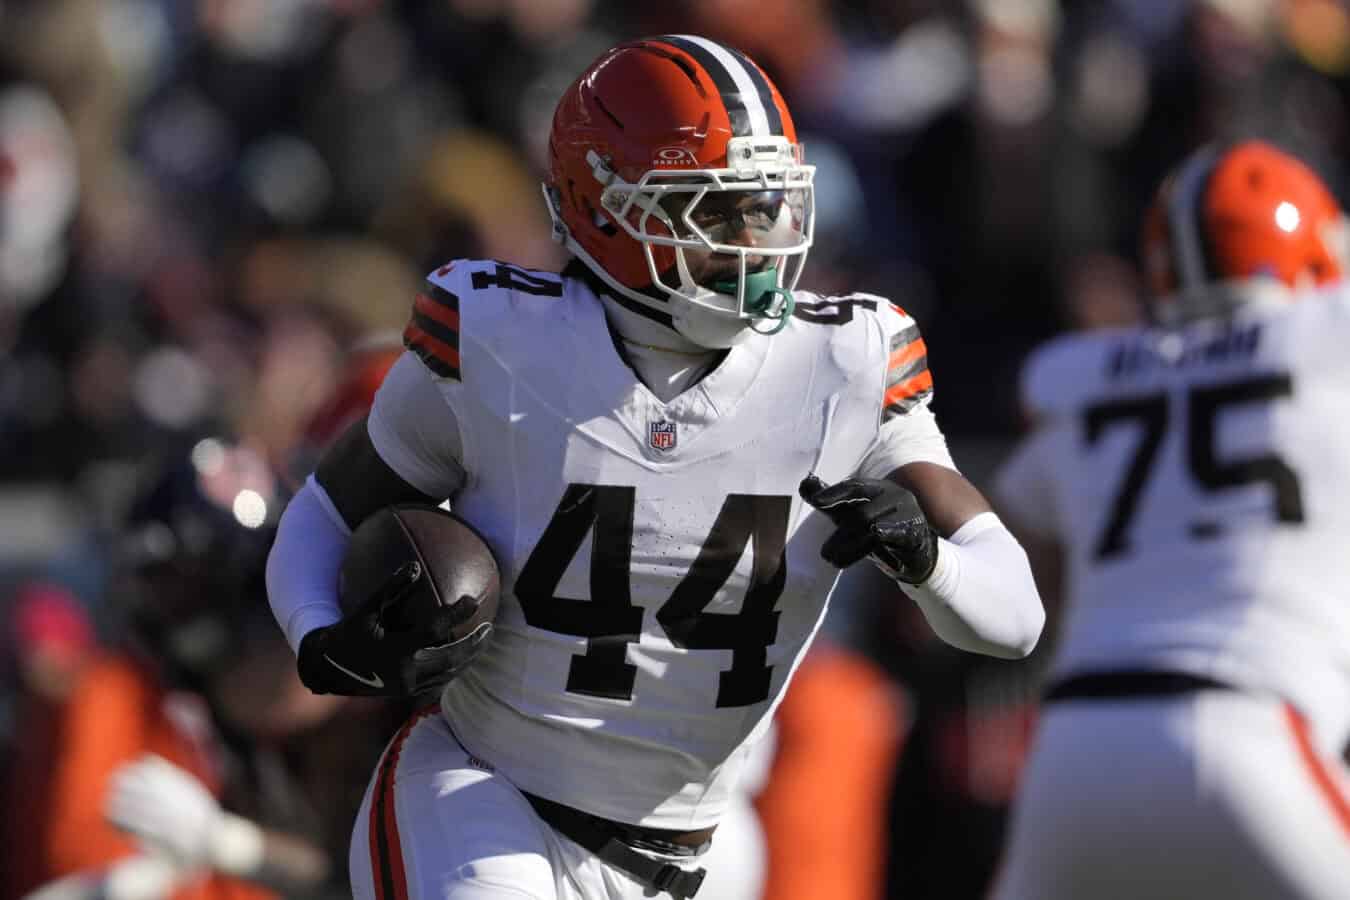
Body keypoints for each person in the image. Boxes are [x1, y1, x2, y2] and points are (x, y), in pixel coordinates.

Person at [266, 34, 1044, 900]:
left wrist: (927, 560)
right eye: (712, 211)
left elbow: (1013, 617)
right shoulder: (498, 340)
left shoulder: (847, 364)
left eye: (765, 205)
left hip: (694, 853)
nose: (754, 241)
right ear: (601, 208)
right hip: (488, 795)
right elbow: (327, 509)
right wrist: (318, 636)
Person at [989, 140, 1350, 900]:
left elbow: (1019, 559)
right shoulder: (1330, 345)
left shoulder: (1080, 379)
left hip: (1075, 746)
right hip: (1250, 723)